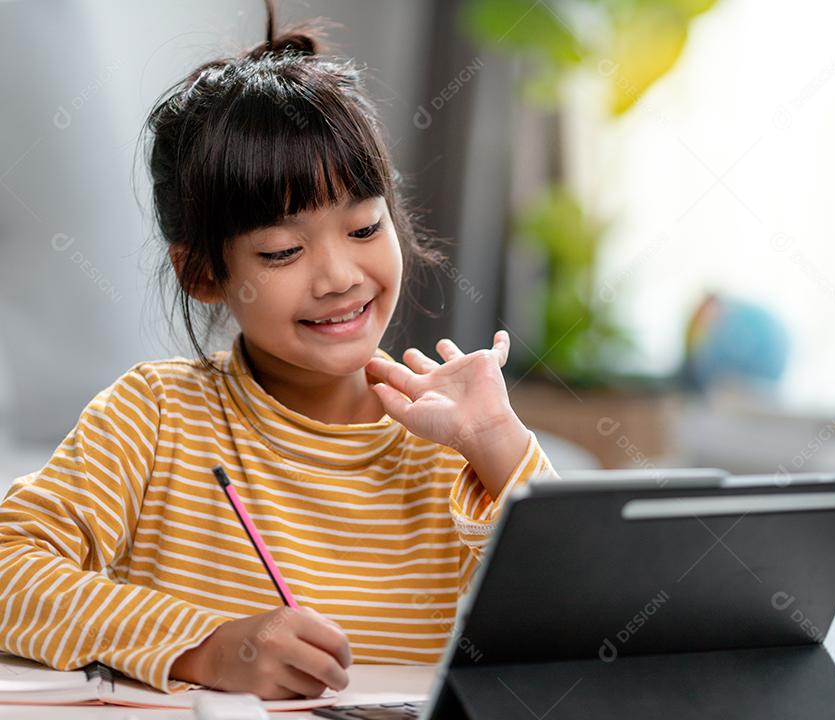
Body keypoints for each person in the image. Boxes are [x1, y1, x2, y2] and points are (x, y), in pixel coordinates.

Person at [0, 0, 554, 700]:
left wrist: (499, 443)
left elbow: (599, 628)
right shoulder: (154, 417)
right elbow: (8, 573)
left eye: (364, 228)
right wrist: (208, 648)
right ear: (203, 274)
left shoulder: (459, 448)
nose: (339, 277)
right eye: (283, 251)